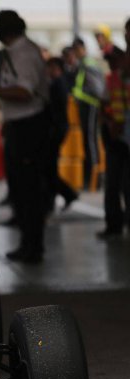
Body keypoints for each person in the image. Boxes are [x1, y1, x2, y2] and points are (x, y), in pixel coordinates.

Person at [0, 10, 50, 264]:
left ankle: (33, 246)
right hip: (18, 124)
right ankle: (27, 243)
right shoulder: (15, 52)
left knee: (28, 188)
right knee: (20, 187)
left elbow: (24, 92)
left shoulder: (24, 53)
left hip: (29, 127)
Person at [98, 21, 130, 239]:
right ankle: (115, 224)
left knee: (123, 183)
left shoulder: (119, 74)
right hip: (118, 134)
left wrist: (115, 123)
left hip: (120, 132)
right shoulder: (113, 78)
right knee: (116, 183)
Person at [71, 37, 106, 189]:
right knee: (87, 141)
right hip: (85, 106)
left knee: (91, 141)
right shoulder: (82, 64)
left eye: (77, 50)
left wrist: (79, 95)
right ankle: (91, 178)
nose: (76, 53)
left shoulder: (88, 64)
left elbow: (97, 90)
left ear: (82, 49)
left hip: (90, 106)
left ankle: (95, 179)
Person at [46, 57, 79, 212]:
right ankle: (65, 195)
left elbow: (53, 109)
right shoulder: (59, 83)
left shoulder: (57, 84)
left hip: (56, 130)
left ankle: (63, 195)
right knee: (49, 167)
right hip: (57, 129)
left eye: (49, 67)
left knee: (49, 167)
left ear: (56, 68)